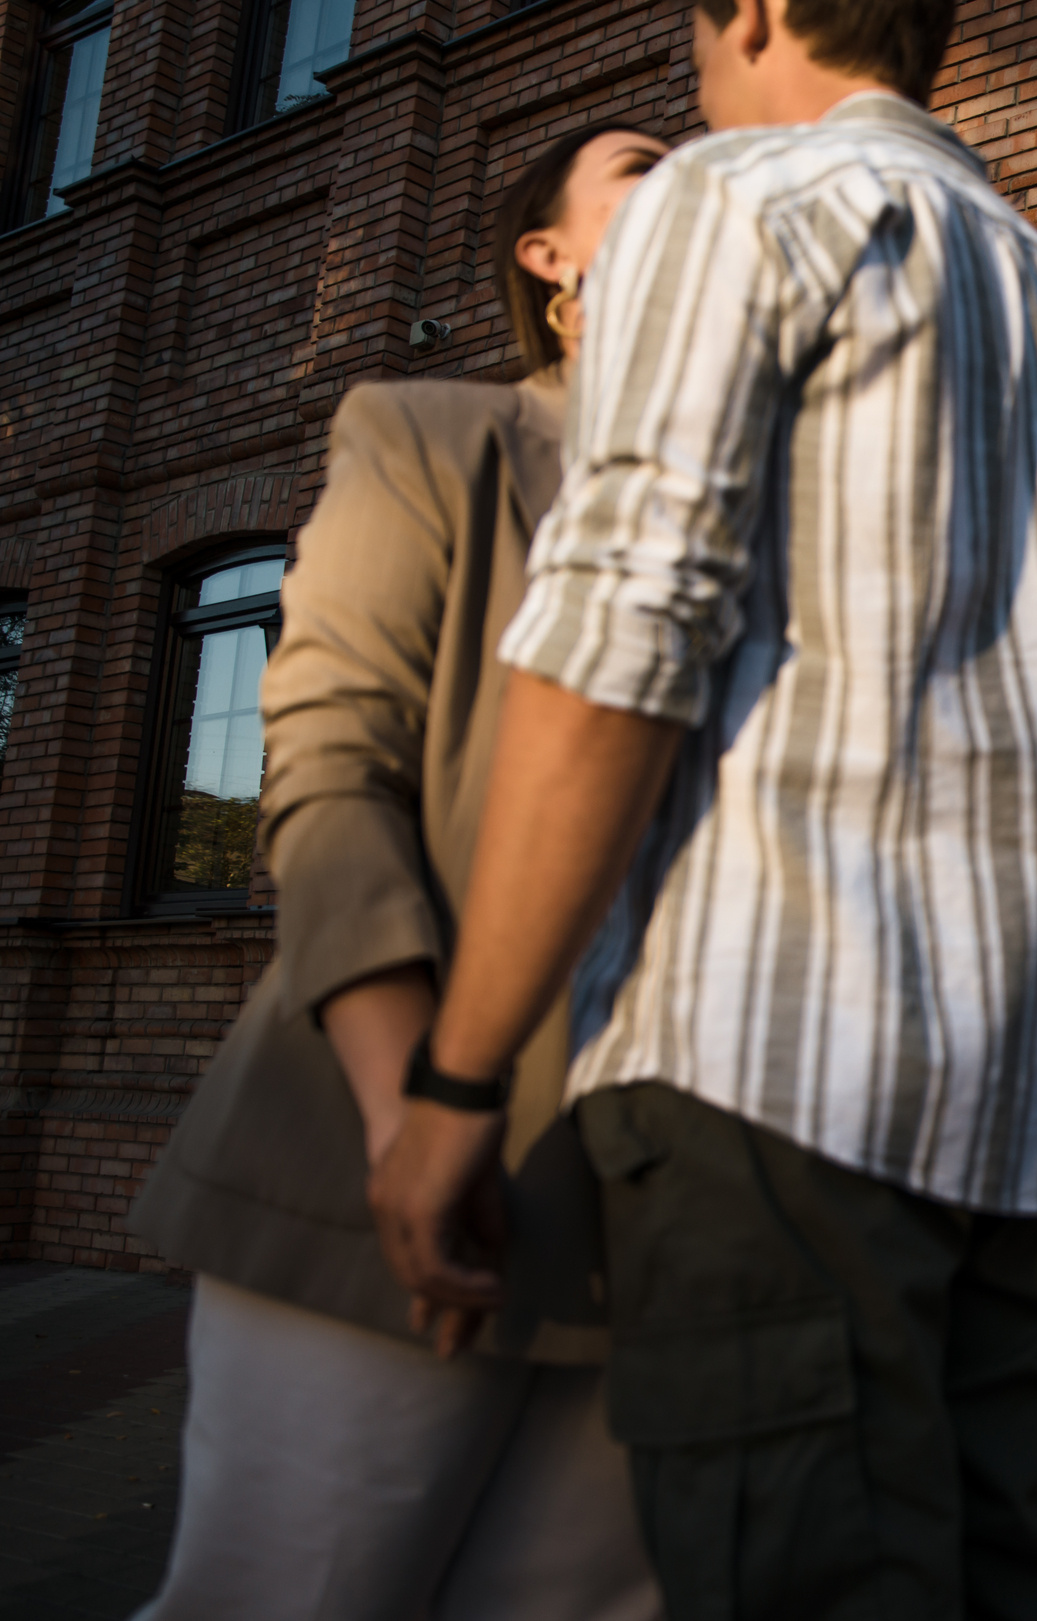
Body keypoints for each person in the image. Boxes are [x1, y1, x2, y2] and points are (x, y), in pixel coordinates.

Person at [366, 0, 1037, 1615]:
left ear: (749, 7)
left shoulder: (744, 199)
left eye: (696, 51)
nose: (696, 93)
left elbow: (619, 648)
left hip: (784, 1072)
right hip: (1026, 1100)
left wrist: (457, 1079)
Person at [127, 122, 671, 1621]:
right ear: (547, 258)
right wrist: (409, 1115)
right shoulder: (438, 436)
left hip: (666, 1225)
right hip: (396, 1169)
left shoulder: (785, 512)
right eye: (643, 164)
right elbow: (324, 770)